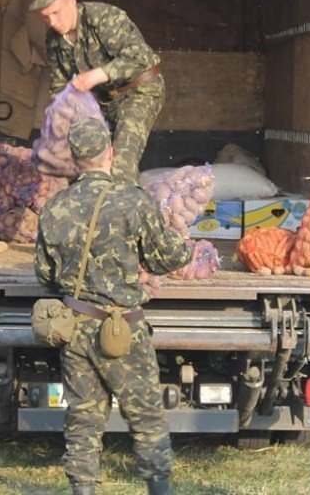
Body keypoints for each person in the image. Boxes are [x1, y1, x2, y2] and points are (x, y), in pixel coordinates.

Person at [34, 118, 191, 495]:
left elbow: (45, 274)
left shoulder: (55, 207)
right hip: (122, 331)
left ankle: (83, 490)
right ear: (111, 153)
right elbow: (161, 259)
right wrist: (186, 248)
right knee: (147, 419)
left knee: (83, 421)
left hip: (75, 327)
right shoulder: (134, 200)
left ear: (73, 158)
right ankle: (159, 488)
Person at [31, 0, 164, 184]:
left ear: (71, 1)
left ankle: (123, 211)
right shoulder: (54, 40)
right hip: (100, 101)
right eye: (46, 17)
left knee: (120, 163)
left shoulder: (103, 18)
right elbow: (59, 85)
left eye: (56, 13)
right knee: (87, 159)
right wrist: (61, 124)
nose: (53, 22)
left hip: (138, 90)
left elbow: (140, 58)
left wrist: (97, 75)